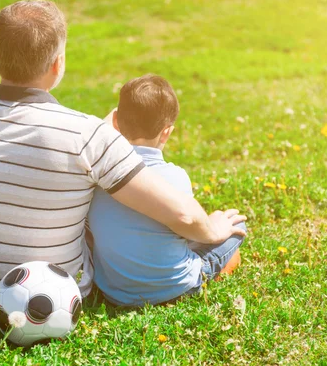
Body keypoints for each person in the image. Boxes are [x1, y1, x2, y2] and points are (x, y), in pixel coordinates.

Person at [0, 0, 247, 302]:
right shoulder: (87, 136)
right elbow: (184, 216)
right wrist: (213, 229)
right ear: (57, 64)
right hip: (58, 288)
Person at [87, 74, 246, 307]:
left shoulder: (100, 172)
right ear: (167, 132)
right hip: (173, 288)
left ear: (116, 122)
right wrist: (212, 226)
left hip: (114, 292)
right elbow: (187, 228)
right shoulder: (175, 176)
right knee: (236, 226)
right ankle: (211, 273)